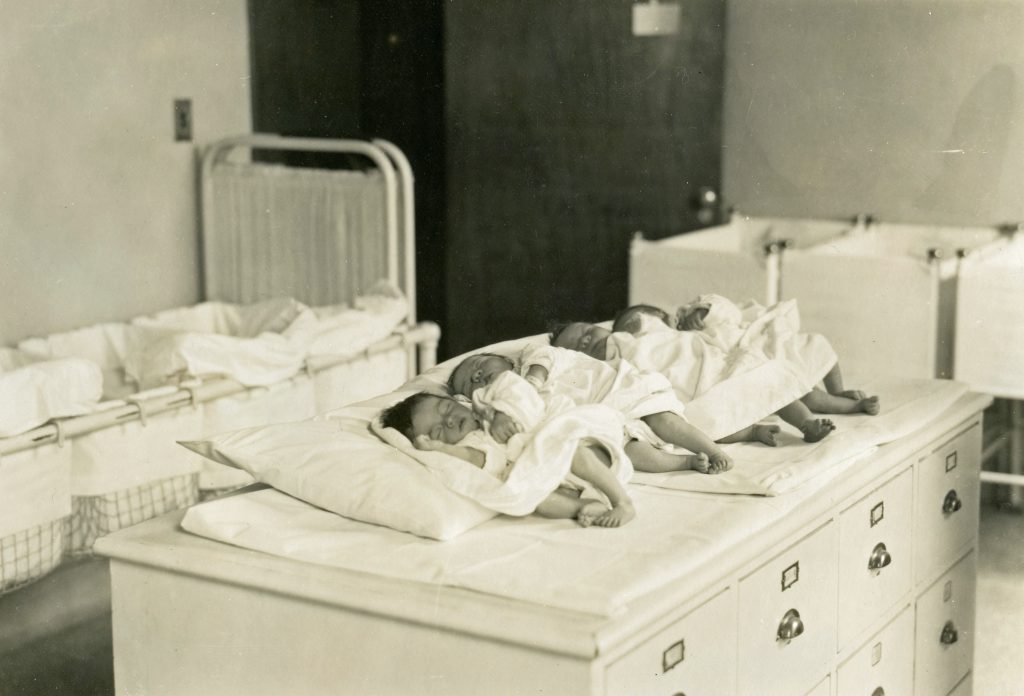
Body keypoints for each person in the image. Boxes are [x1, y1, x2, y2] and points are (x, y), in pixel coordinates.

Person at [448, 346, 760, 474]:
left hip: (622, 390)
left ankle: (712, 450)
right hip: (606, 419)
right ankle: (686, 462)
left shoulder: (532, 356)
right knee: (625, 452)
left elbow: (544, 364)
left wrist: (531, 379)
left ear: (505, 360)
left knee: (664, 420)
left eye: (478, 365)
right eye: (470, 383)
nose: (477, 376)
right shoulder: (512, 405)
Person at [551, 321, 837, 443]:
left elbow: (672, 335)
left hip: (704, 364)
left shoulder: (634, 336)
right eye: (580, 345)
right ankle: (752, 431)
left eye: (587, 332)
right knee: (701, 421)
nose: (588, 340)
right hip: (683, 389)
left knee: (763, 379)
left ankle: (806, 422)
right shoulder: (609, 370)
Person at [380, 391, 636, 527]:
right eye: (438, 431)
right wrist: (439, 449)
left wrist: (501, 414)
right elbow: (475, 458)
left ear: (456, 401)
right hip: (549, 475)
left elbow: (522, 396)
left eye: (446, 409)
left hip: (578, 453)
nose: (448, 421)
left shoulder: (490, 405)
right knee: (536, 501)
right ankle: (583, 508)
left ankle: (622, 502)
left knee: (573, 450)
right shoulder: (472, 443)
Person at [615, 296, 880, 416]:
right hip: (747, 359)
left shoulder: (691, 311)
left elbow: (731, 310)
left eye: (638, 322)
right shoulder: (673, 343)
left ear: (661, 314)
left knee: (816, 344)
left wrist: (706, 311)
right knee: (796, 390)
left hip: (760, 341)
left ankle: (839, 389)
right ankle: (852, 406)